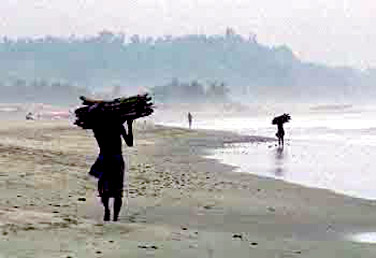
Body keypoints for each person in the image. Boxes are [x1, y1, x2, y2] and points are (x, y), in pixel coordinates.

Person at [89, 118, 133, 221]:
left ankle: (107, 211)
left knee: (104, 188)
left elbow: (98, 138)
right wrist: (130, 125)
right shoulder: (118, 126)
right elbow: (130, 143)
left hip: (104, 159)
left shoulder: (98, 128)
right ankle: (115, 217)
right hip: (116, 160)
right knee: (117, 191)